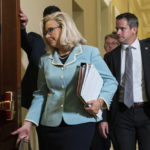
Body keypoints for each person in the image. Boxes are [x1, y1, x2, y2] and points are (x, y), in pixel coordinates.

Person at [12, 11, 118, 150]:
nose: (47, 35)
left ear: (65, 27)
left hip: (80, 122)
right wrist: (28, 122)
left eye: (50, 30)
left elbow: (110, 81)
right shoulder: (45, 60)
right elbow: (41, 93)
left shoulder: (89, 53)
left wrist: (100, 101)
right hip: (49, 125)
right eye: (45, 32)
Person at [104, 12, 150, 150]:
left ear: (134, 29)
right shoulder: (110, 57)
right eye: (117, 28)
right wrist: (104, 119)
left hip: (147, 112)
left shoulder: (147, 50)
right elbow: (105, 89)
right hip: (121, 114)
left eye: (122, 29)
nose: (118, 32)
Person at [20, 6, 61, 109]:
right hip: (37, 100)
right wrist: (22, 27)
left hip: (59, 102)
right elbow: (23, 40)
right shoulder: (36, 41)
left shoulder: (68, 46)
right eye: (47, 21)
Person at [90, 32, 120, 150]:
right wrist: (103, 119)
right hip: (103, 113)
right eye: (107, 44)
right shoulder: (99, 64)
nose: (110, 46)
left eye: (113, 43)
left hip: (120, 115)